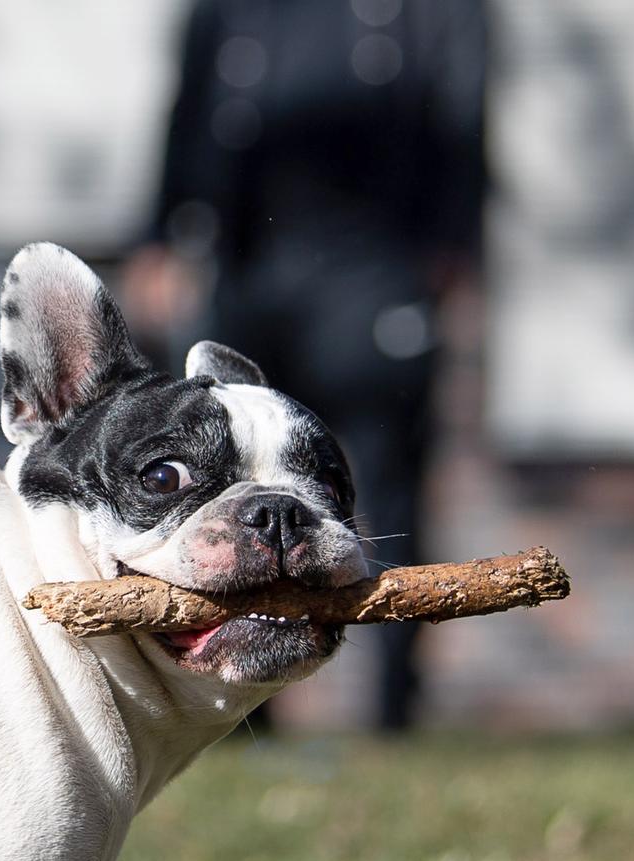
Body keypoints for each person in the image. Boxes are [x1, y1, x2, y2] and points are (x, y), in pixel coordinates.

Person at [126, 0, 486, 731]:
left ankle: (394, 713)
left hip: (375, 267)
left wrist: (453, 243)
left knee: (389, 486)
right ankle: (249, 714)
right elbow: (189, 102)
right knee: (234, 479)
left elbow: (464, 112)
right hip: (250, 267)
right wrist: (159, 232)